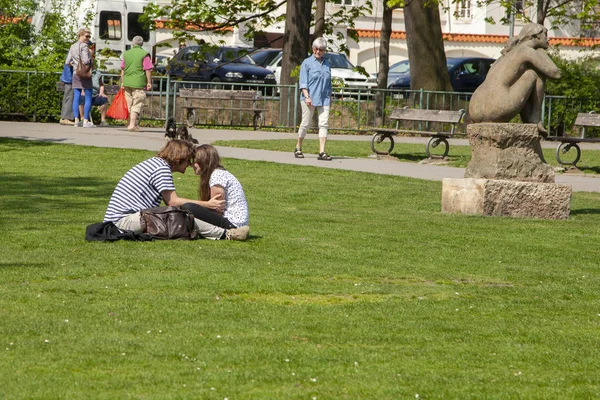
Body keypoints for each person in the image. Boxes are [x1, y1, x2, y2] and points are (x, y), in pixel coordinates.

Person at [103, 139, 249, 241]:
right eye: (188, 160)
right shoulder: (161, 169)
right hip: (122, 223)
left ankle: (223, 233)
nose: (190, 165)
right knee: (179, 215)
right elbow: (173, 202)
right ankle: (227, 234)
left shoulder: (156, 164)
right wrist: (207, 204)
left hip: (124, 220)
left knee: (176, 216)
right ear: (180, 158)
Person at [468, 23, 561, 136]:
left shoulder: (505, 55)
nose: (548, 38)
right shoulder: (526, 51)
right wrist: (541, 53)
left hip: (475, 106)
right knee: (533, 73)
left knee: (523, 78)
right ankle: (535, 118)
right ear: (535, 36)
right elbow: (555, 73)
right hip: (497, 106)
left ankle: (531, 119)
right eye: (545, 34)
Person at [182, 145, 249, 231]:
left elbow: (217, 209)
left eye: (195, 161)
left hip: (232, 224)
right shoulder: (217, 174)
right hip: (232, 222)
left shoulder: (217, 175)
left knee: (188, 207)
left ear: (204, 161)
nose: (192, 165)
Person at [295, 37, 333, 161]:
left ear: (324, 51)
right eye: (316, 49)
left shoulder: (327, 64)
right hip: (309, 98)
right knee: (305, 124)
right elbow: (303, 83)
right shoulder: (307, 63)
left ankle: (322, 151)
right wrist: (307, 96)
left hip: (324, 98)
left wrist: (330, 96)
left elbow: (328, 83)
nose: (318, 51)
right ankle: (298, 147)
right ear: (313, 49)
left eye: (321, 50)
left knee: (324, 124)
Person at [121, 35, 153, 132]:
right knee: (137, 103)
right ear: (142, 44)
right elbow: (148, 69)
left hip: (127, 82)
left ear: (133, 43)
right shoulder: (144, 54)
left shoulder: (126, 54)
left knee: (130, 103)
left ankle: (131, 124)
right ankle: (132, 125)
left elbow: (122, 69)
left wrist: (122, 81)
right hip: (138, 82)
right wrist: (149, 82)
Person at [66, 27, 94, 128]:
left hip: (75, 73)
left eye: (89, 36)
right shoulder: (84, 47)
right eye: (86, 36)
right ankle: (85, 120)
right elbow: (86, 61)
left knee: (76, 96)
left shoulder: (72, 46)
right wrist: (91, 55)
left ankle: (76, 120)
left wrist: (74, 64)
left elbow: (67, 61)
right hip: (85, 73)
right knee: (88, 96)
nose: (88, 38)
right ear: (81, 35)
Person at [78, 43, 109, 126]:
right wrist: (82, 91)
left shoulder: (97, 73)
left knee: (104, 100)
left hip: (95, 95)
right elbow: (80, 83)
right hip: (86, 93)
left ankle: (103, 120)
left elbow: (101, 85)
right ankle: (82, 119)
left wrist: (101, 93)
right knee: (81, 98)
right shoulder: (82, 72)